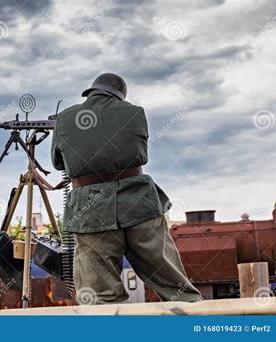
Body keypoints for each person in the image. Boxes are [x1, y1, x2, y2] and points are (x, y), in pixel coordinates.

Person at [51, 73, 203, 304]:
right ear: (118, 95)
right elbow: (140, 153)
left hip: (91, 213)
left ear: (92, 91)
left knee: (99, 298)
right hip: (139, 205)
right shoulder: (134, 112)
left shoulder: (64, 119)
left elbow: (58, 163)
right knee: (176, 288)